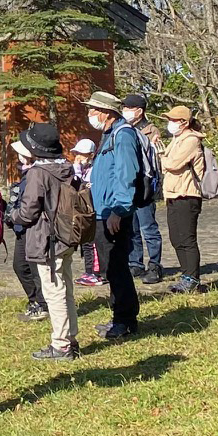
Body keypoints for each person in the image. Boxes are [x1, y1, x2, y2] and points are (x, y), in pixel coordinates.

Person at [10, 124, 78, 360]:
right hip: (66, 234)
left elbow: (28, 212)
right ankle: (70, 338)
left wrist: (11, 216)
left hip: (46, 238)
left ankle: (61, 345)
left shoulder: (38, 173)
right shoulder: (66, 167)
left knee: (54, 292)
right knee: (65, 288)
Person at [86, 90, 146, 341]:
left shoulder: (122, 136)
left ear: (105, 112)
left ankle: (125, 320)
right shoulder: (109, 135)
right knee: (111, 268)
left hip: (113, 213)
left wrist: (119, 211)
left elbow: (125, 175)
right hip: (103, 211)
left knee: (117, 267)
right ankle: (119, 317)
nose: (89, 115)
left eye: (92, 110)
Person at [119, 94, 168, 285]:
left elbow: (156, 160)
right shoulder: (124, 129)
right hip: (130, 185)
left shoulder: (151, 131)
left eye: (128, 108)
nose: (125, 111)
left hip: (146, 186)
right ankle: (135, 263)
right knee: (132, 229)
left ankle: (155, 264)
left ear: (139, 111)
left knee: (148, 227)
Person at [159, 107, 207, 294]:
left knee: (187, 239)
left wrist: (161, 156)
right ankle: (186, 276)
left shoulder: (191, 140)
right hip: (173, 193)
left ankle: (192, 278)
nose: (170, 123)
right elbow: (167, 163)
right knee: (175, 238)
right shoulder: (176, 139)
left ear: (184, 122)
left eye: (173, 119)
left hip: (187, 195)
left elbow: (172, 164)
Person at [3, 136, 50, 322]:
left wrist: (15, 216)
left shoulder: (36, 173)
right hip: (21, 229)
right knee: (20, 266)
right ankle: (35, 300)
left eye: (21, 155)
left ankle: (43, 304)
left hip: (34, 229)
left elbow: (31, 206)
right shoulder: (26, 174)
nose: (18, 159)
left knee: (35, 268)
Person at [62, 138, 103, 288]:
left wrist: (79, 173)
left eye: (82, 154)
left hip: (93, 209)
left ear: (91, 155)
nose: (79, 157)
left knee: (92, 244)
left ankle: (95, 272)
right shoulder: (77, 168)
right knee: (85, 242)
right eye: (76, 153)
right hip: (82, 211)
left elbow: (84, 186)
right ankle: (88, 270)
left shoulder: (94, 169)